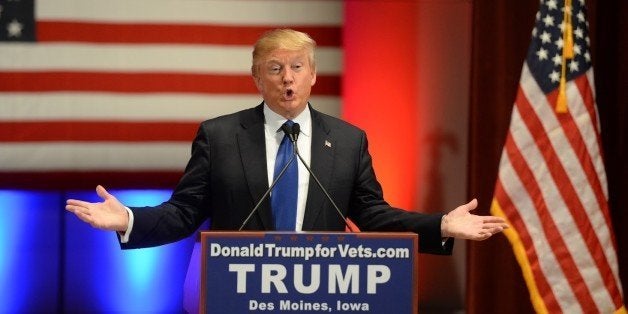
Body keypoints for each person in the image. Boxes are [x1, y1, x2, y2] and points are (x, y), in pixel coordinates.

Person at [65, 29, 507, 254]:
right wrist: (127, 219)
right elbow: (185, 212)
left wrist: (441, 226)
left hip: (320, 293)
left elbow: (372, 215)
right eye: (275, 68)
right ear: (257, 78)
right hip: (238, 293)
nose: (288, 78)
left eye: (298, 67)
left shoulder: (349, 141)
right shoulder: (219, 136)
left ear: (314, 75)